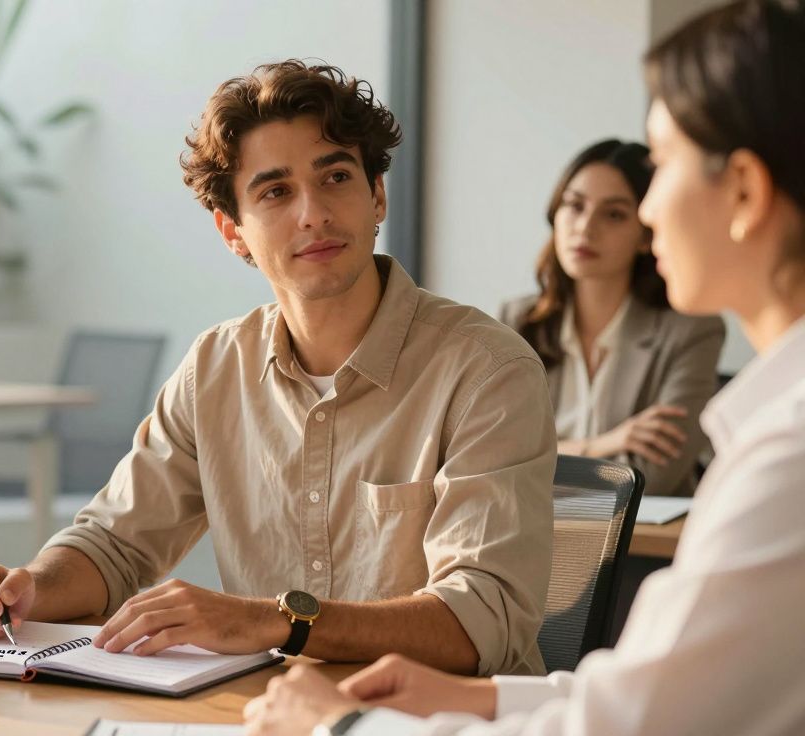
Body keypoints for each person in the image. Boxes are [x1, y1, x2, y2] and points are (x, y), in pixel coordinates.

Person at [244, 1, 805, 733]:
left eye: (660, 165)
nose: (650, 210)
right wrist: (478, 697)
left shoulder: (787, 459)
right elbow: (644, 694)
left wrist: (337, 727)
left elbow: (632, 726)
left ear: (743, 192)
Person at [0, 60, 557, 676]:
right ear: (233, 230)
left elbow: (485, 619)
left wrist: (277, 621)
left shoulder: (487, 370)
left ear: (377, 196)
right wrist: (28, 589)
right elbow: (115, 543)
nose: (312, 212)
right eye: (275, 191)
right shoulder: (213, 367)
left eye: (336, 177)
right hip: (268, 711)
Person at [499, 139, 724, 496]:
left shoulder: (692, 331)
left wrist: (540, 459)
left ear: (644, 234)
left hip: (643, 547)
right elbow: (492, 458)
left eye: (614, 214)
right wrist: (603, 445)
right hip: (533, 540)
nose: (586, 227)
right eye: (575, 206)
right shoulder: (517, 321)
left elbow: (653, 476)